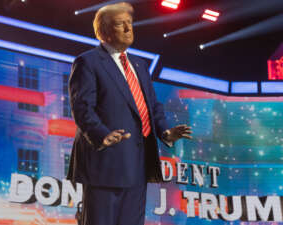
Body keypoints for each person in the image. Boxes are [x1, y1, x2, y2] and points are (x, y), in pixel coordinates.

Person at [66, 2, 192, 225]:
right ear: (104, 31)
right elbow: (82, 106)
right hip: (106, 162)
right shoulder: (88, 62)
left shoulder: (139, 65)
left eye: (130, 23)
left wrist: (165, 132)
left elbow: (152, 105)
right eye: (119, 24)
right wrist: (101, 134)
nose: (128, 28)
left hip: (138, 165)